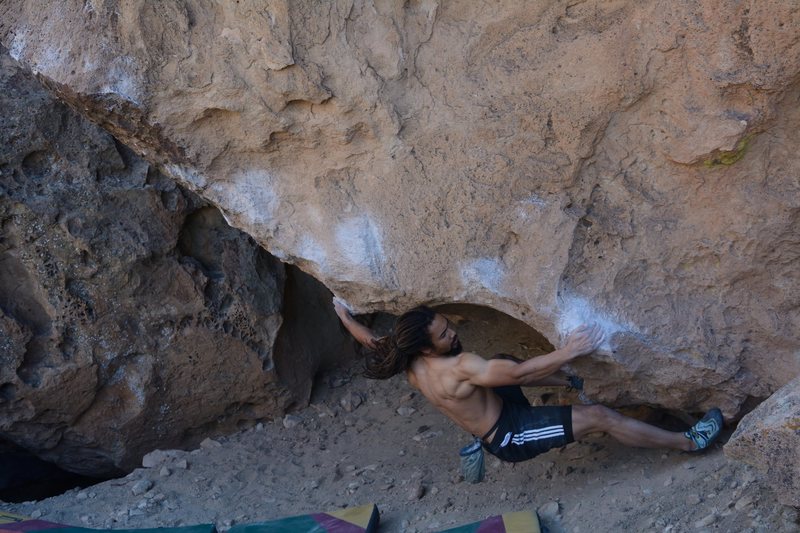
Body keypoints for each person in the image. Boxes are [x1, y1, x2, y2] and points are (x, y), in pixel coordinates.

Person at [333, 301, 723, 463]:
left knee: (501, 360)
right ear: (428, 348)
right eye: (444, 334)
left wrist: (344, 314)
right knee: (600, 416)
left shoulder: (406, 358)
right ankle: (688, 442)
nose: (452, 333)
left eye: (449, 326)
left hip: (496, 409)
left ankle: (574, 383)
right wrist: (570, 350)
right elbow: (522, 375)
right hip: (508, 435)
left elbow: (373, 341)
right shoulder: (462, 366)